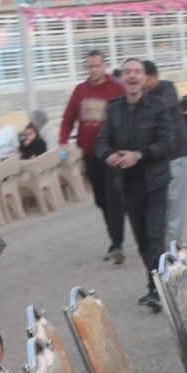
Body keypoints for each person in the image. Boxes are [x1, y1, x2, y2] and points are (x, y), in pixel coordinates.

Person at [94, 57, 172, 311]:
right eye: (127, 72)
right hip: (128, 185)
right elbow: (101, 142)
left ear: (144, 78)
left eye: (137, 71)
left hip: (155, 183)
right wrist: (108, 155)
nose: (132, 76)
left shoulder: (158, 106)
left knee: (155, 236)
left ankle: (157, 290)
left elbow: (167, 143)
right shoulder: (113, 109)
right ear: (122, 78)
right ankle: (157, 284)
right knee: (142, 241)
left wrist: (138, 155)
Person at [59, 50, 126, 264]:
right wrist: (63, 141)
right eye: (90, 66)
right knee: (101, 199)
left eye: (97, 65)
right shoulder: (80, 91)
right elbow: (68, 118)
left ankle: (117, 244)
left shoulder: (117, 88)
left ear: (104, 66)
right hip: (89, 154)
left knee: (113, 198)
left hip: (112, 153)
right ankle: (115, 237)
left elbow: (129, 113)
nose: (94, 70)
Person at [142, 60, 187, 246]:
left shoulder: (166, 90)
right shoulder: (147, 95)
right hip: (160, 158)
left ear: (153, 77)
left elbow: (156, 109)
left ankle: (173, 244)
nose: (140, 84)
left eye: (143, 78)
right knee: (161, 203)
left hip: (177, 154)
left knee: (175, 202)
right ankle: (165, 243)